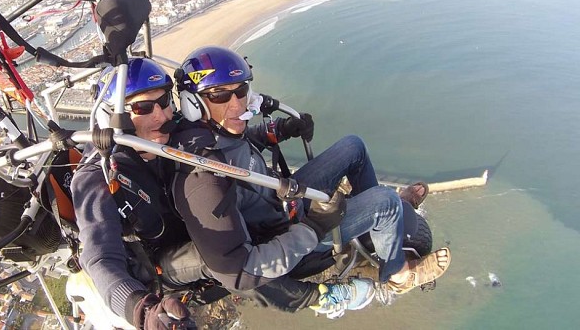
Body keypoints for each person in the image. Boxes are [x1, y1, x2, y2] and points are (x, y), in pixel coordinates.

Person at [166, 45, 451, 316]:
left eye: (241, 90)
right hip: (291, 238)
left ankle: (377, 231)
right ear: (195, 102)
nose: (237, 103)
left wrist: (279, 129)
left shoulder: (205, 131)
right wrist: (314, 227)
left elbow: (240, 145)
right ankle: (397, 275)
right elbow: (239, 269)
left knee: (354, 146)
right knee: (387, 202)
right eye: (220, 96)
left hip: (286, 204)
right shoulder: (204, 175)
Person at [71, 57, 197, 330]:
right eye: (142, 107)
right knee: (219, 257)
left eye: (164, 101)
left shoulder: (167, 137)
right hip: (157, 265)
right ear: (111, 117)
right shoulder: (96, 177)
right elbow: (100, 259)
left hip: (187, 232)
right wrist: (144, 311)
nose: (161, 116)